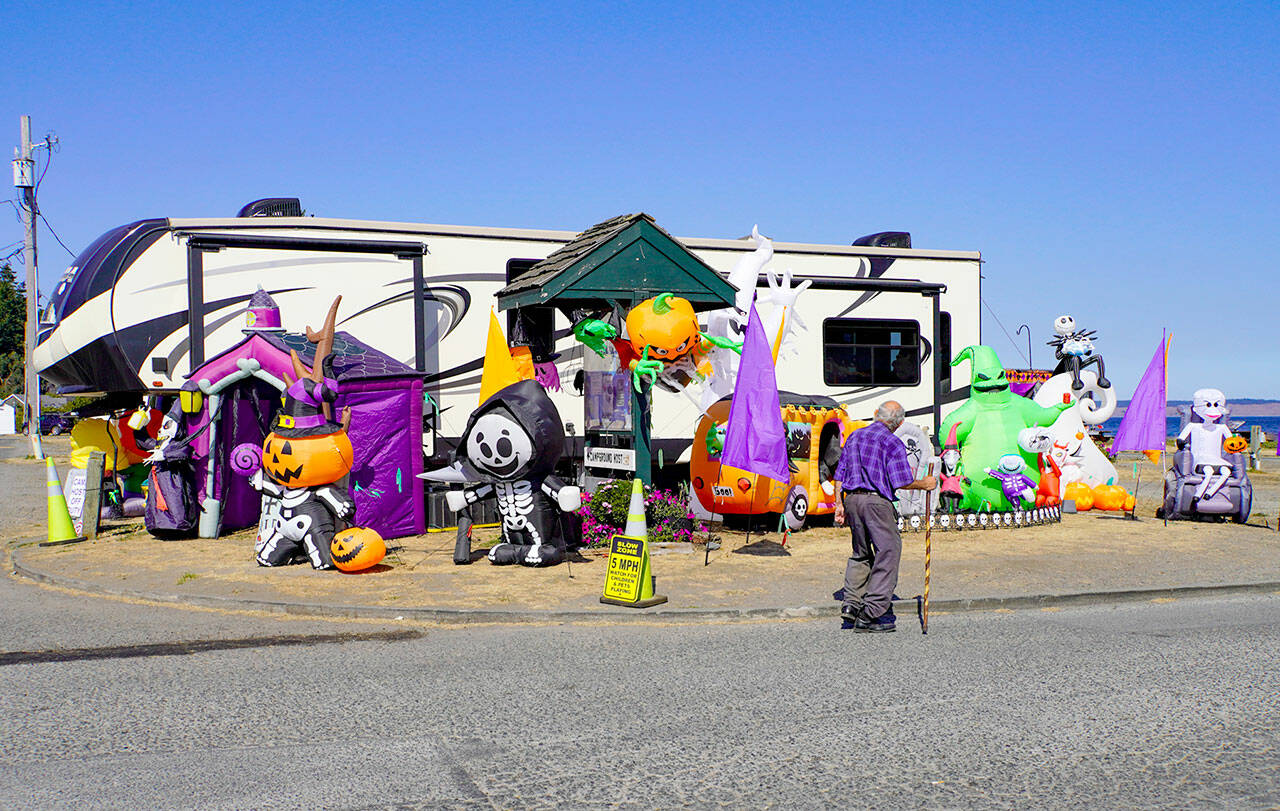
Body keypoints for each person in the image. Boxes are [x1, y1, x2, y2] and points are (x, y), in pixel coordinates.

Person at [834, 401, 937, 633]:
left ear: (875, 415)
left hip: (852, 500)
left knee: (860, 553)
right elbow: (901, 480)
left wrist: (839, 504)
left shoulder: (855, 436)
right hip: (876, 502)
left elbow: (840, 472)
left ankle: (851, 604)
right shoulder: (892, 442)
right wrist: (926, 484)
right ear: (899, 423)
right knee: (888, 552)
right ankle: (872, 613)